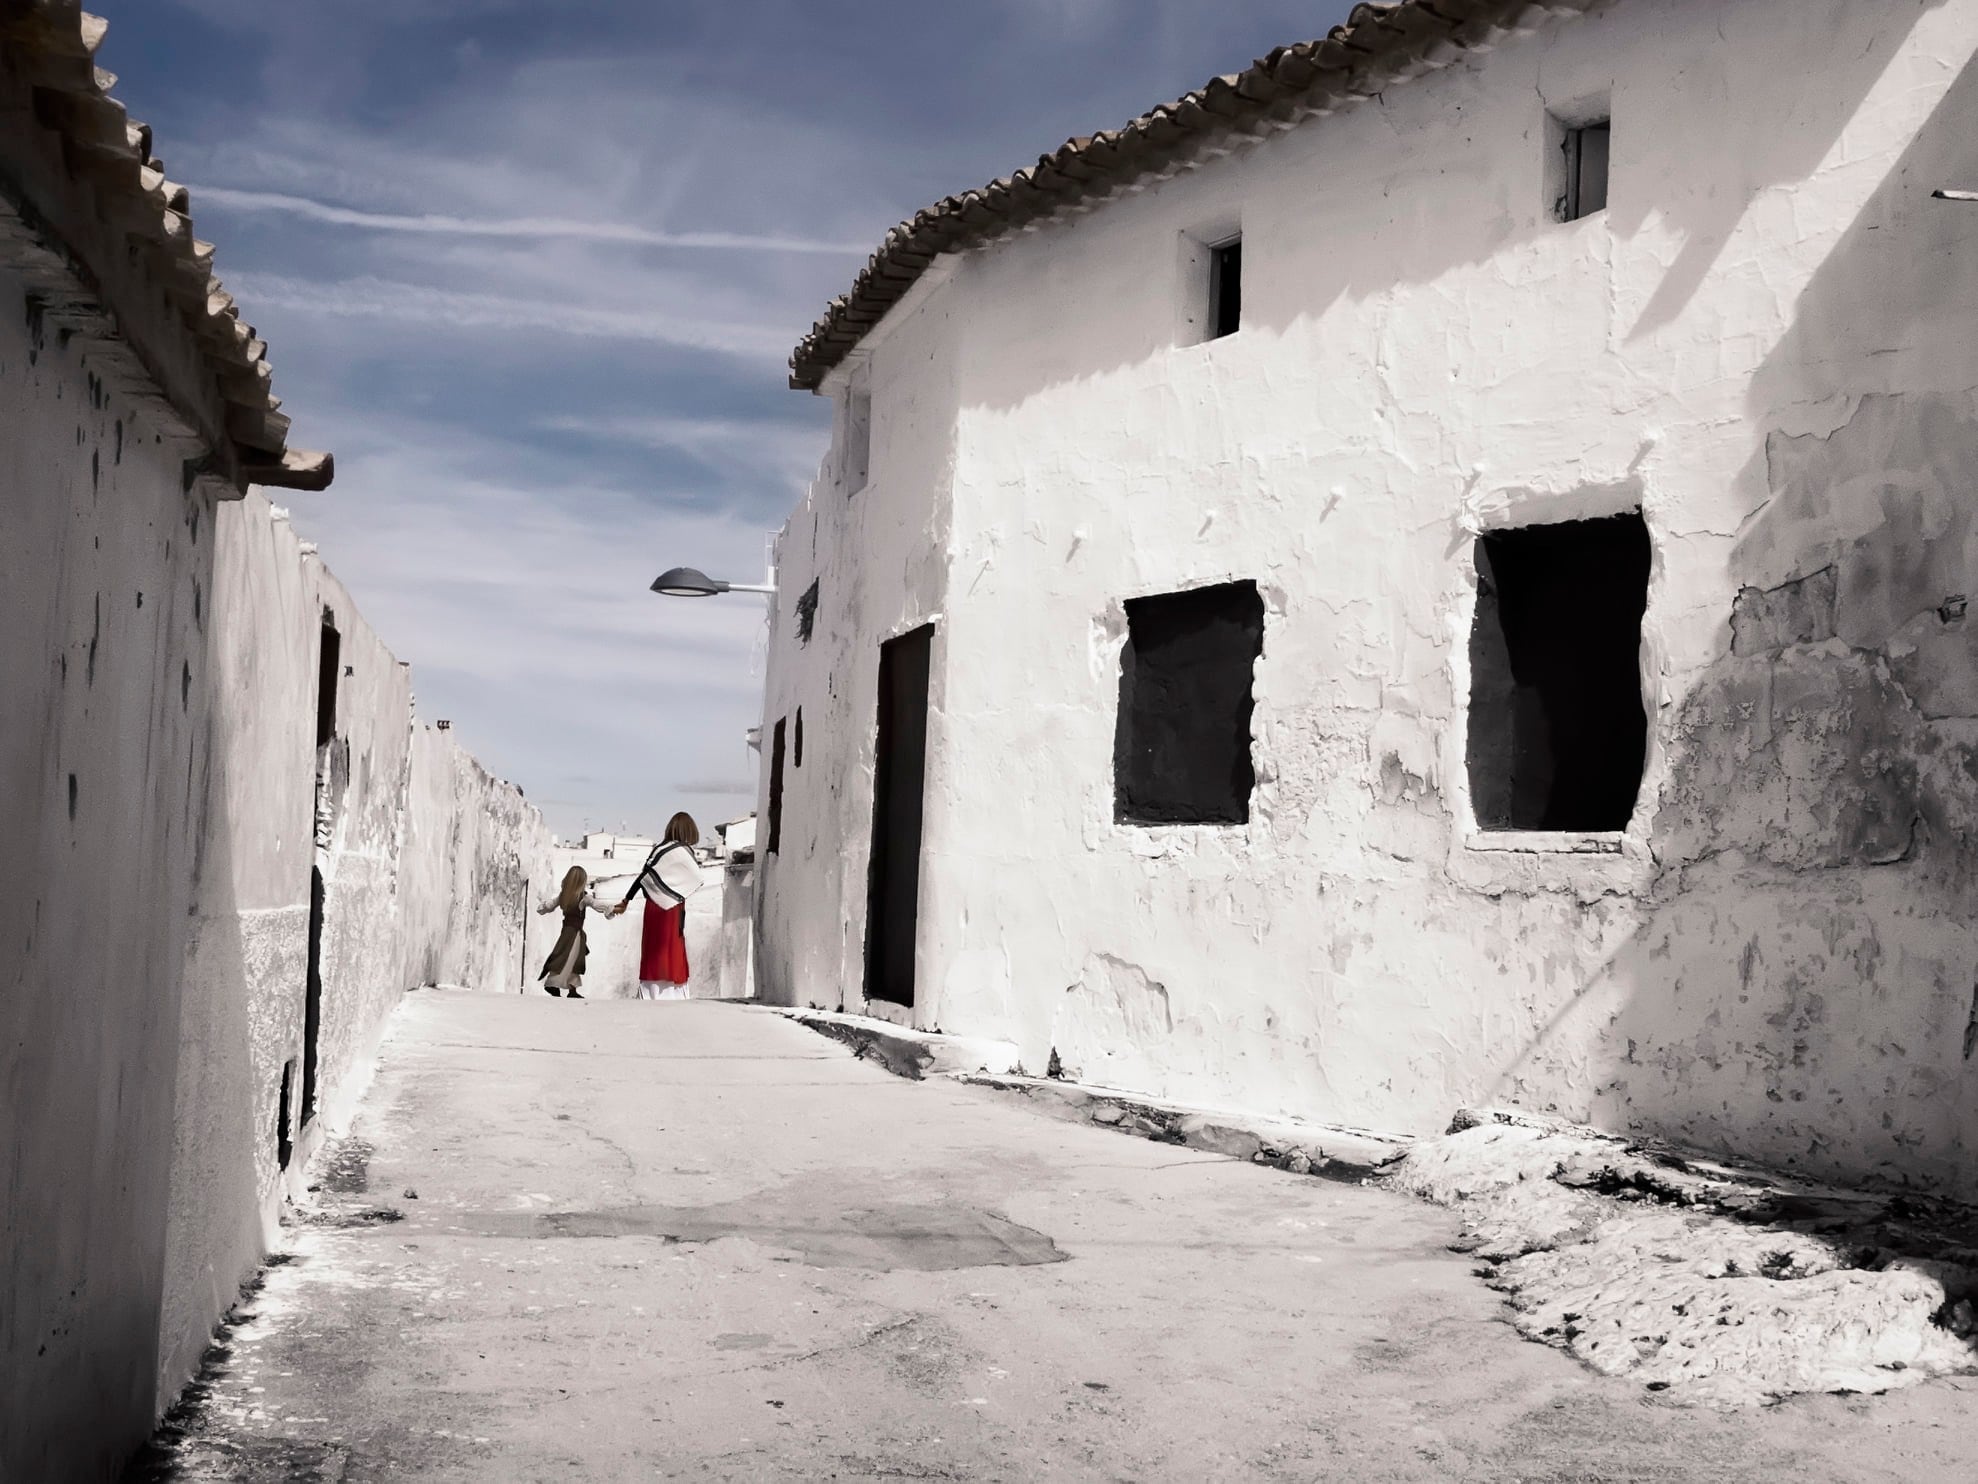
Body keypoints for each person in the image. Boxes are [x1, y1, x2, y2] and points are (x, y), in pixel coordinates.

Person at [615, 812, 700, 1000]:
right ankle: (673, 993)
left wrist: (626, 900)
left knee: (653, 947)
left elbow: (643, 877)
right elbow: (694, 878)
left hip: (653, 905)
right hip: (674, 907)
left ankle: (651, 992)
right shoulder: (684, 851)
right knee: (673, 947)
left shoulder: (659, 849)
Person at [536, 864, 613, 998]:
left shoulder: (564, 896)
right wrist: (610, 908)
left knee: (567, 958)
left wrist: (542, 907)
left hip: (566, 932)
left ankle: (570, 989)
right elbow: (596, 904)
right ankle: (554, 985)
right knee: (571, 958)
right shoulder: (583, 897)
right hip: (574, 934)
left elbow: (549, 906)